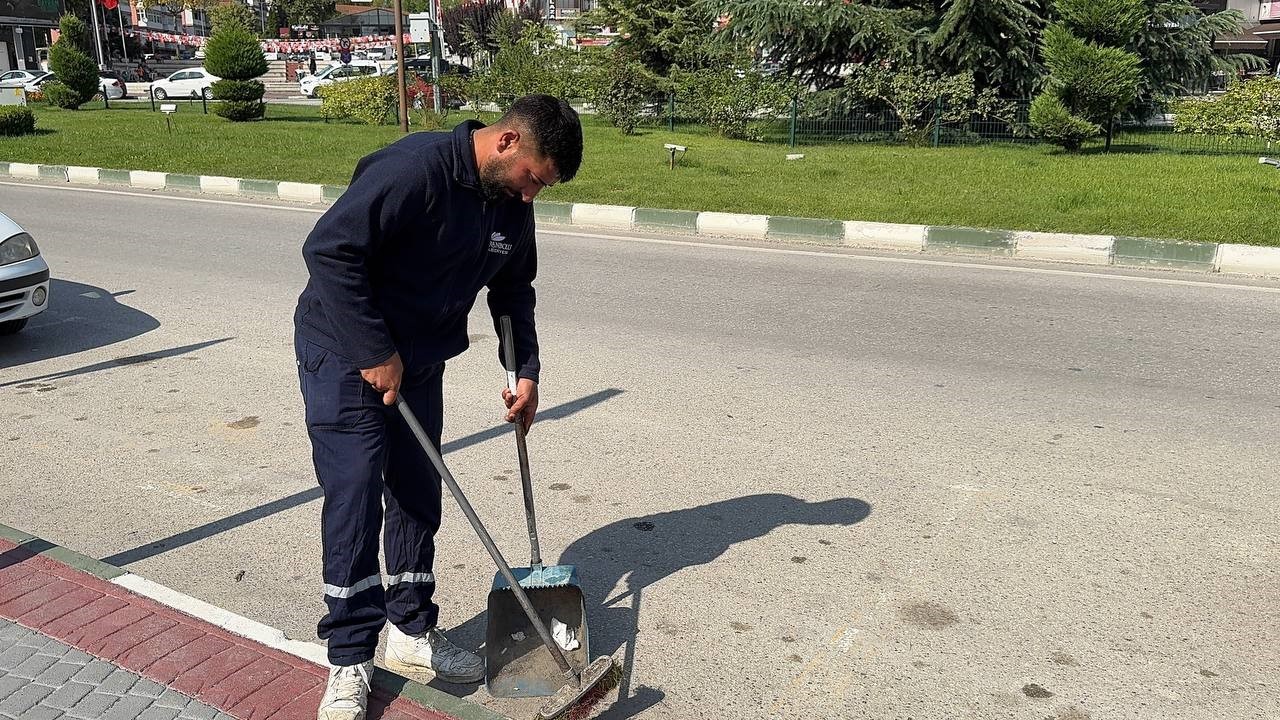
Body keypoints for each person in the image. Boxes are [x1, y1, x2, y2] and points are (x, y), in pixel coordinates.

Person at [293, 94, 583, 720]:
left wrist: (522, 370)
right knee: (355, 490)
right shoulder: (414, 170)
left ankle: (410, 629)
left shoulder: (509, 204)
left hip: (419, 358)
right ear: (506, 142)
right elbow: (329, 251)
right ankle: (349, 659)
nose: (533, 195)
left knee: (418, 490)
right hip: (347, 350)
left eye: (544, 188)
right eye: (534, 177)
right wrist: (373, 349)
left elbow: (512, 289)